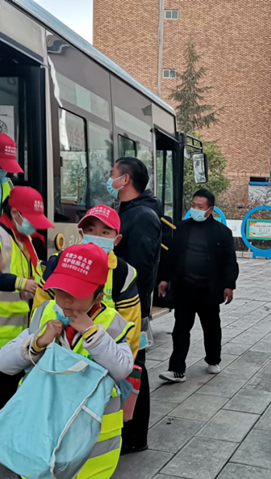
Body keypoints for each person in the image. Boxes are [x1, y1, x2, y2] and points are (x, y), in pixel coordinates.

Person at [0, 244, 134, 479]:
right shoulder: (45, 314)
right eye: (59, 291)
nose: (66, 301)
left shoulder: (112, 323)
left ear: (98, 294)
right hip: (42, 437)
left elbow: (122, 367)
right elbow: (4, 364)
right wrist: (38, 341)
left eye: (76, 293)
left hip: (87, 445)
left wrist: (91, 332)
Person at [0, 186, 50, 416]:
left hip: (14, 329)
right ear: (15, 213)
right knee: (3, 391)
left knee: (12, 389)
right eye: (31, 218)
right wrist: (20, 283)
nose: (34, 225)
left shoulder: (22, 239)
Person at [37, 204, 142, 359]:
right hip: (53, 355)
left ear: (117, 239)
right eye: (91, 230)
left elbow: (130, 327)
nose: (97, 237)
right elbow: (39, 308)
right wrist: (38, 345)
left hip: (100, 361)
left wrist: (123, 364)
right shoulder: (59, 262)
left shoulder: (124, 273)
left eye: (105, 232)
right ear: (81, 233)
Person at [157, 189, 239, 383]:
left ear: (210, 209)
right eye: (193, 205)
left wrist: (229, 285)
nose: (195, 209)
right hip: (184, 288)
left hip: (209, 290)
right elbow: (170, 257)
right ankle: (176, 369)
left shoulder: (221, 232)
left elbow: (230, 261)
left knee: (211, 328)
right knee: (181, 329)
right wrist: (164, 279)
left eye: (200, 207)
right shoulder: (181, 229)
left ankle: (213, 359)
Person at [111, 157, 162, 454]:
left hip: (130, 308)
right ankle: (124, 429)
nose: (110, 179)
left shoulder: (142, 216)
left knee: (133, 366)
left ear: (125, 179)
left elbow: (141, 269)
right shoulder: (129, 211)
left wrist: (135, 311)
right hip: (121, 305)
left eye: (112, 174)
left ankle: (134, 435)